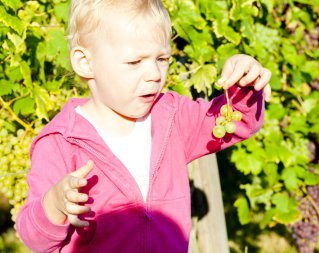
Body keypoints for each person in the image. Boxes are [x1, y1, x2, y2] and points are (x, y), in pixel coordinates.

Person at [16, 0, 272, 252]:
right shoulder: (60, 143)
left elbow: (235, 123)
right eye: (135, 62)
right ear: (85, 62)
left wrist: (244, 86)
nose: (154, 74)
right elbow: (34, 238)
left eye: (162, 58)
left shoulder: (172, 117)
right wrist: (53, 205)